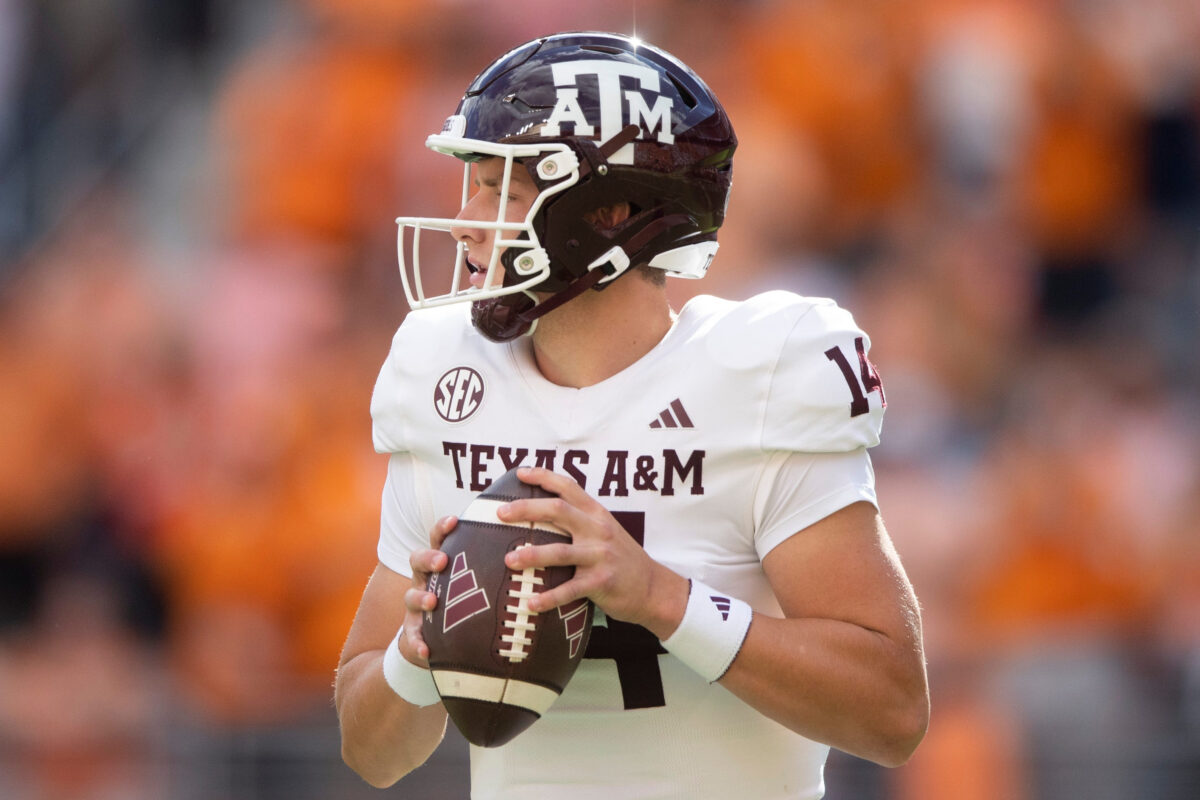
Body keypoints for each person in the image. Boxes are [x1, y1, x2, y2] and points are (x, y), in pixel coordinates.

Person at [334, 31, 929, 800]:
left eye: (503, 190)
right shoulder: (446, 378)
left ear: (608, 211)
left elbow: (892, 712)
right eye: (471, 186)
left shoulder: (757, 376)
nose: (466, 221)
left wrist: (661, 598)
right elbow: (369, 750)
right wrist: (414, 658)